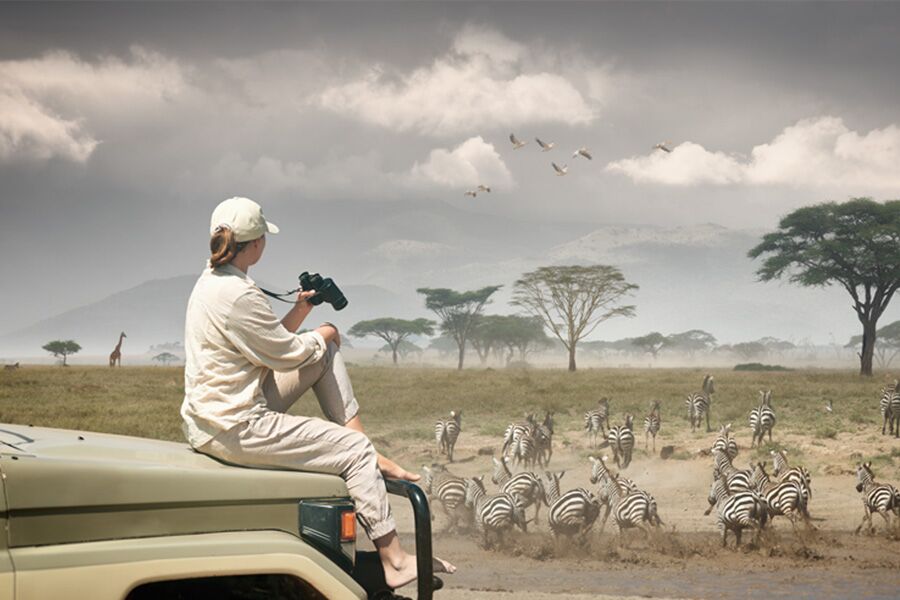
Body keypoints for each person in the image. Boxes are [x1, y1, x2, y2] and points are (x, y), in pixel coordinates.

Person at [180, 196, 455, 589]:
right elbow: (285, 354)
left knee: (322, 354)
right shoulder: (240, 295)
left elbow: (265, 342)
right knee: (349, 434)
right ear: (257, 244)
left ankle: (360, 447)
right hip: (238, 424)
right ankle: (393, 556)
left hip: (212, 415)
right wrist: (324, 332)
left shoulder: (213, 282)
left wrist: (302, 311)